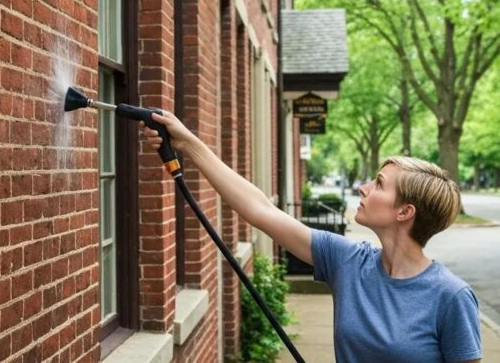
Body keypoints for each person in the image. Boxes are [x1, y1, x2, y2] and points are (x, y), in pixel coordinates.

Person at [142, 111, 482, 363]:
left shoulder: (450, 297)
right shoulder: (349, 261)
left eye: (378, 183)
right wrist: (188, 143)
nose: (363, 188)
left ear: (404, 212)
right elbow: (260, 210)